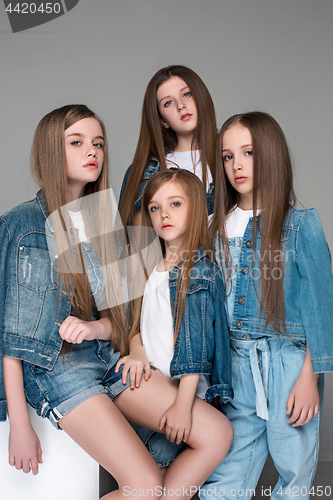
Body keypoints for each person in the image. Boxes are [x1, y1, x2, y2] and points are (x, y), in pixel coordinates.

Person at [0, 104, 232, 500]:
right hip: (57, 371)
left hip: (104, 356)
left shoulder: (101, 221)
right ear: (52, 152)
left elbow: (115, 322)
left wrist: (93, 328)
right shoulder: (25, 225)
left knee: (217, 433)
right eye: (77, 142)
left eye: (98, 143)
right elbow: (13, 338)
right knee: (143, 487)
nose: (92, 151)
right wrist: (19, 422)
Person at [201, 111, 333, 499]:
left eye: (248, 152)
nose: (237, 165)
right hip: (235, 365)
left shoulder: (299, 224)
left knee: (293, 476)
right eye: (227, 156)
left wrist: (310, 377)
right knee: (226, 479)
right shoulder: (214, 226)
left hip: (288, 362)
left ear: (271, 155)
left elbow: (320, 306)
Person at [116, 169, 233, 471]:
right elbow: (138, 325)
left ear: (196, 207)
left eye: (175, 204)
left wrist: (182, 407)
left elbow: (195, 349)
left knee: (157, 463)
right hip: (154, 389)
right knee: (145, 472)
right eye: (155, 207)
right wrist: (138, 350)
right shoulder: (153, 268)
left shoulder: (198, 271)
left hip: (184, 395)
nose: (164, 214)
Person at [118, 65, 217, 229]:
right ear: (163, 120)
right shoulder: (145, 172)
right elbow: (133, 245)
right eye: (168, 103)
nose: (180, 105)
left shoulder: (232, 160)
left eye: (187, 94)